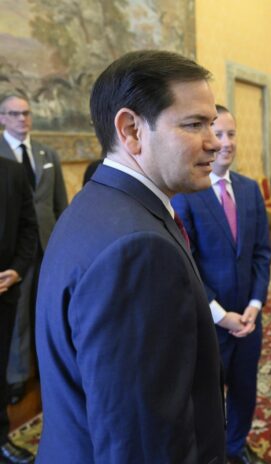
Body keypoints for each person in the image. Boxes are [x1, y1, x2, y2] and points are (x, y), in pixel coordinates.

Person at [35, 50, 226, 463]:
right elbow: (142, 445)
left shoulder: (96, 204)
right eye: (194, 124)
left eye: (211, 124)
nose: (215, 141)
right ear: (132, 130)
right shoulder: (138, 250)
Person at [172, 105, 271, 464]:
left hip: (249, 318)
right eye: (218, 134)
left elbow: (262, 252)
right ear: (206, 139)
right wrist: (220, 315)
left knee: (245, 388)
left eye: (231, 134)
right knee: (208, 397)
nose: (225, 142)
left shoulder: (250, 189)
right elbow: (187, 265)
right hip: (210, 323)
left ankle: (235, 446)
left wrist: (255, 305)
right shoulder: (186, 196)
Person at [0, 94, 68, 405]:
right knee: (18, 316)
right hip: (14, 250)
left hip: (49, 245)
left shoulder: (46, 153)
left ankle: (47, 367)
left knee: (49, 309)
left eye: (26, 113)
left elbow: (59, 204)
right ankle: (15, 377)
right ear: (2, 118)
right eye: (14, 114)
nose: (22, 118)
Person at [0, 157, 38, 464]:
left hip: (4, 292)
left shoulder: (12, 171)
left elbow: (29, 226)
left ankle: (1, 438)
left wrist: (17, 270)